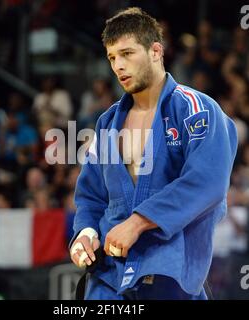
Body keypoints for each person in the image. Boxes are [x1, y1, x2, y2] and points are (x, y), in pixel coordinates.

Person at [69, 7, 238, 300]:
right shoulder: (107, 122)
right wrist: (85, 233)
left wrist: (137, 223)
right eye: (112, 57)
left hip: (168, 270)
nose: (118, 66)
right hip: (109, 275)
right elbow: (91, 196)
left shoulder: (196, 110)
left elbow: (207, 182)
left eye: (127, 53)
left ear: (156, 50)